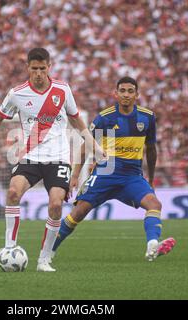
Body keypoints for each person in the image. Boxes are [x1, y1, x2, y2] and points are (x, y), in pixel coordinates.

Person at [0, 48, 104, 272]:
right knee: (12, 192)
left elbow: (77, 121)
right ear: (27, 68)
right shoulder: (17, 93)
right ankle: (9, 248)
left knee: (56, 205)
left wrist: (95, 146)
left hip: (58, 158)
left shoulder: (62, 89)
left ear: (49, 67)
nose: (38, 73)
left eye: (42, 68)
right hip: (30, 156)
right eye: (34, 69)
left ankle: (44, 259)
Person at [51, 76, 176, 262]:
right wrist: (75, 175)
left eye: (130, 91)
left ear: (137, 95)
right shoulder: (105, 118)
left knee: (154, 204)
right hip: (106, 172)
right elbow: (87, 145)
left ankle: (152, 245)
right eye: (122, 91)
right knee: (78, 213)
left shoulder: (147, 117)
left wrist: (150, 178)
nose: (126, 95)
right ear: (115, 94)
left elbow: (151, 149)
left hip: (132, 176)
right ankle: (48, 252)